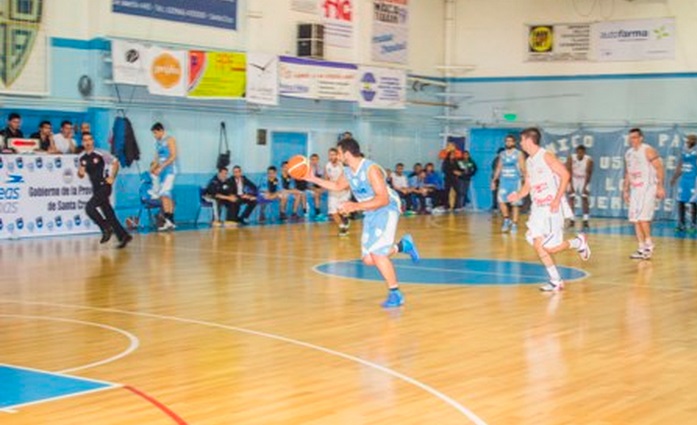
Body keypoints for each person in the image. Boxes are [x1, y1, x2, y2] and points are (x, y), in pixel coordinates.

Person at [303, 138, 420, 308]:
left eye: (339, 152)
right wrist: (312, 178)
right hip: (370, 210)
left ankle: (395, 293)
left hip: (386, 209)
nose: (337, 156)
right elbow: (337, 186)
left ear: (347, 153)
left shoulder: (371, 169)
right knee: (368, 259)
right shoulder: (348, 170)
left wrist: (354, 206)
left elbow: (383, 199)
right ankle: (403, 246)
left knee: (378, 255)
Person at [507, 128, 590, 292]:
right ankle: (556, 281)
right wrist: (518, 195)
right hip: (537, 209)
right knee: (538, 245)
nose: (520, 143)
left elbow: (565, 175)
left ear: (529, 140)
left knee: (549, 248)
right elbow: (528, 185)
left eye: (522, 140)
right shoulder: (529, 161)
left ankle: (578, 242)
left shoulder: (546, 156)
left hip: (551, 208)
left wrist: (557, 199)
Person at [77, 132, 132, 249]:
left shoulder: (100, 153)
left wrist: (112, 177)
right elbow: (81, 173)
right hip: (96, 188)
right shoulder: (82, 158)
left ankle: (105, 227)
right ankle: (124, 236)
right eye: (85, 140)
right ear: (82, 142)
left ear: (92, 141)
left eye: (89, 139)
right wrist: (80, 173)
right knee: (109, 213)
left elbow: (115, 162)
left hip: (104, 186)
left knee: (89, 208)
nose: (87, 142)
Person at [623, 128, 666, 260]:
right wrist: (625, 190)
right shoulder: (629, 153)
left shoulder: (648, 150)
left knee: (643, 218)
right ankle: (641, 247)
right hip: (635, 189)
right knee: (635, 219)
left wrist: (660, 186)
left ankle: (649, 244)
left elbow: (659, 167)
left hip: (648, 188)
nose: (633, 140)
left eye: (635, 137)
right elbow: (628, 172)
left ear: (641, 138)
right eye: (631, 138)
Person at [492, 135, 525, 232]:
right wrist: (494, 180)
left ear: (514, 142)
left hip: (515, 181)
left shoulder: (519, 153)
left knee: (515, 203)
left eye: (510, 141)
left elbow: (523, 168)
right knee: (501, 201)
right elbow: (499, 167)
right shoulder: (502, 154)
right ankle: (506, 219)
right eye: (507, 141)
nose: (508, 143)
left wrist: (525, 179)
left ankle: (514, 224)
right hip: (504, 181)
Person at [150, 122, 178, 231]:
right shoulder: (158, 143)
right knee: (167, 196)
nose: (155, 135)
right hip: (162, 172)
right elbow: (157, 158)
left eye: (156, 133)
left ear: (161, 130)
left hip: (169, 170)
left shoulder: (170, 139)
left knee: (164, 195)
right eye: (153, 133)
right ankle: (170, 221)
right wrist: (153, 168)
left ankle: (168, 220)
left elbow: (173, 156)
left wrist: (162, 167)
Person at [670, 134, 697, 233]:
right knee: (681, 201)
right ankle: (681, 224)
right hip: (684, 180)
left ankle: (694, 225)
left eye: (690, 140)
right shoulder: (684, 150)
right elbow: (680, 166)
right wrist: (674, 177)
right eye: (687, 140)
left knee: (693, 202)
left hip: (694, 179)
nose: (688, 141)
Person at [325, 148, 351, 236]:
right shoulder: (327, 165)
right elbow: (326, 178)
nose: (331, 156)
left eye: (333, 154)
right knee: (333, 212)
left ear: (337, 155)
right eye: (330, 155)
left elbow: (349, 176)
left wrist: (348, 185)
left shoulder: (343, 165)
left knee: (342, 210)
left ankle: (345, 219)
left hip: (343, 190)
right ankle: (342, 226)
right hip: (333, 191)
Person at [567, 145, 593, 231]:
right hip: (573, 178)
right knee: (571, 198)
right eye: (579, 152)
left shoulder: (589, 160)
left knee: (585, 198)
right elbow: (568, 171)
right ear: (576, 152)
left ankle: (585, 219)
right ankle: (572, 219)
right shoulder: (571, 158)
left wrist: (585, 187)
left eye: (582, 152)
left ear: (584, 153)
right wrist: (571, 185)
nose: (580, 154)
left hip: (583, 178)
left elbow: (589, 173)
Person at [308, 153, 326, 219]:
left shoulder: (320, 168)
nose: (314, 161)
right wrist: (314, 189)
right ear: (310, 160)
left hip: (318, 186)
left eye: (315, 159)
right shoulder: (308, 169)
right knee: (316, 194)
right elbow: (307, 183)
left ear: (318, 160)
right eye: (312, 159)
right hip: (309, 187)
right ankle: (318, 212)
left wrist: (322, 188)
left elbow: (322, 179)